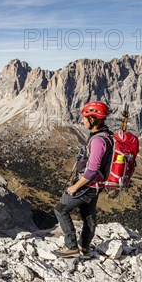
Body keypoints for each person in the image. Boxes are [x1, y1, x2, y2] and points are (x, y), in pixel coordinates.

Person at [53, 101, 114, 258]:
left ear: (93, 119)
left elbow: (92, 170)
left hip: (88, 185)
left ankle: (72, 247)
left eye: (85, 118)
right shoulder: (105, 135)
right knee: (88, 215)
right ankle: (85, 248)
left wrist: (75, 187)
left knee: (60, 209)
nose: (82, 121)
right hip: (95, 186)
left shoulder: (98, 141)